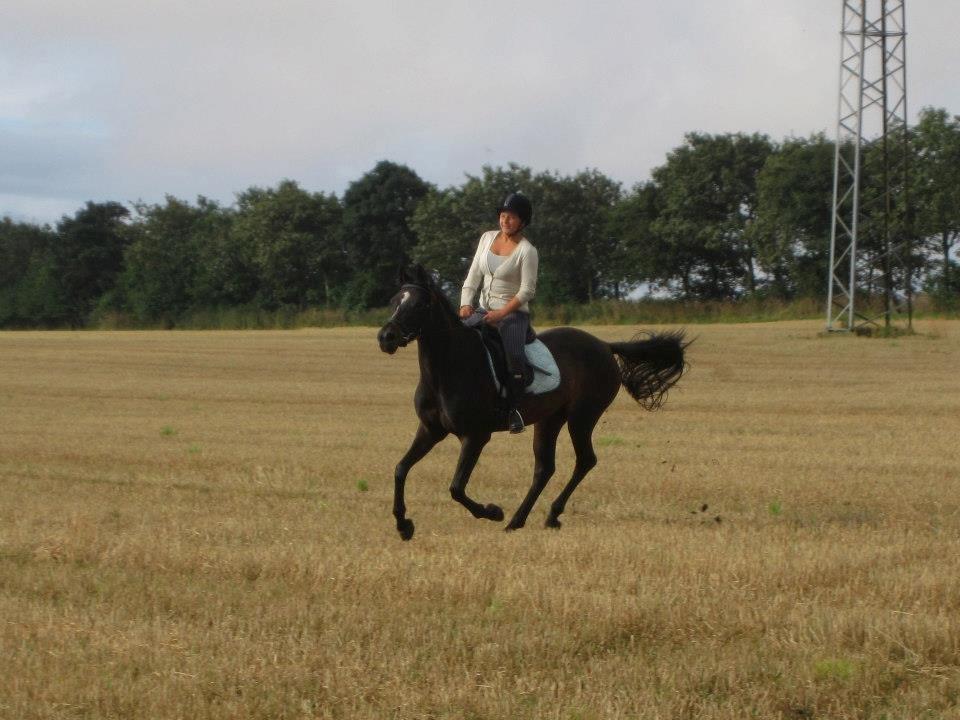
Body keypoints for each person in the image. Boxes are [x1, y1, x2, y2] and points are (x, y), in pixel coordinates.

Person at [459, 192, 539, 433]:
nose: (505, 221)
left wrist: (502, 313)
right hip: (482, 309)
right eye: (503, 216)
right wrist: (465, 303)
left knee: (514, 355)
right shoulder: (487, 238)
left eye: (512, 217)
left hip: (513, 314)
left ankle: (514, 410)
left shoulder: (528, 251)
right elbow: (474, 274)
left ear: (522, 222)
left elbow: (527, 291)